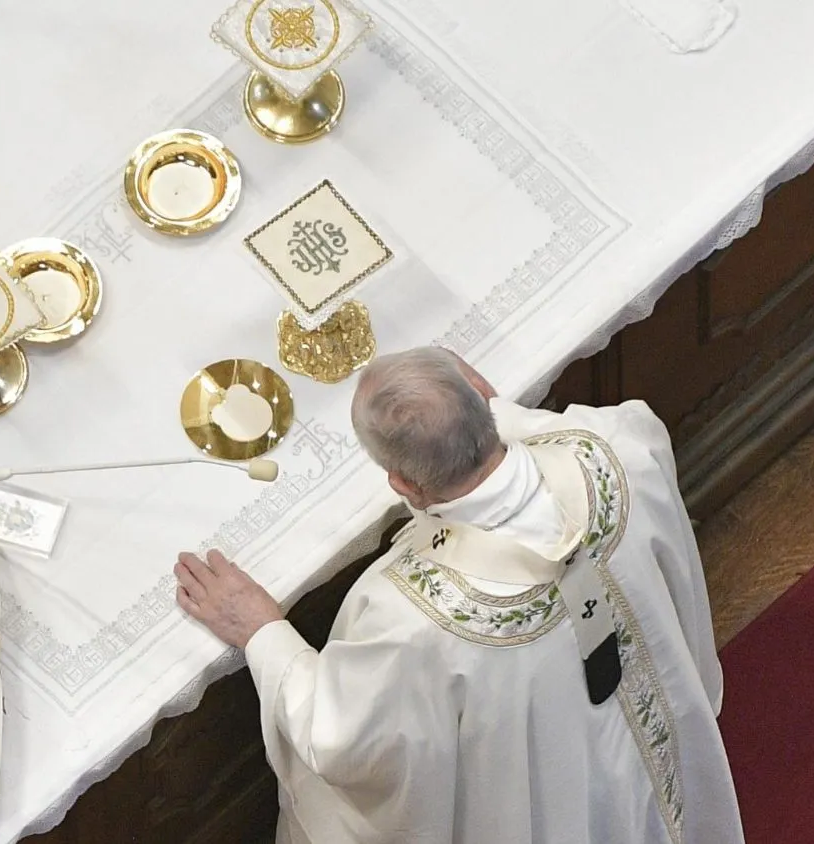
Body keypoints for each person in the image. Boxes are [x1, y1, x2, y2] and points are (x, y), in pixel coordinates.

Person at [173, 347, 744, 843]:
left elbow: (341, 734)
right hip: (644, 729)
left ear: (403, 484)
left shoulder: (419, 617)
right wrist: (481, 413)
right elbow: (549, 437)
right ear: (481, 399)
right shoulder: (618, 447)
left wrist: (260, 631)